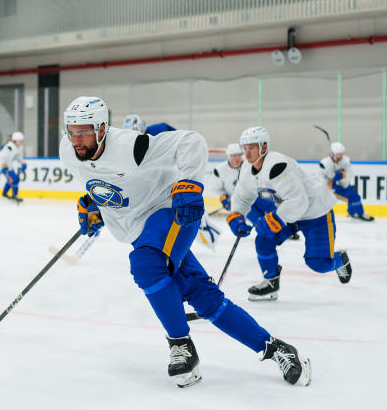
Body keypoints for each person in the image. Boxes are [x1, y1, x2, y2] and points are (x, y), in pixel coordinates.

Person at [61, 97, 310, 388]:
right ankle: (276, 348)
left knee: (146, 266)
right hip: (138, 229)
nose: (76, 139)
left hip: (171, 211)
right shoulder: (69, 151)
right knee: (202, 295)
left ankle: (181, 346)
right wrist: (93, 204)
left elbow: (192, 142)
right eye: (72, 131)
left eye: (83, 132)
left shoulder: (132, 146)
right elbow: (98, 177)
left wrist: (190, 183)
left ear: (102, 128)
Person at [227, 126, 352, 301]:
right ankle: (271, 282)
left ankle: (341, 259)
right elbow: (242, 196)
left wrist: (274, 219)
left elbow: (298, 202)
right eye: (245, 148)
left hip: (316, 213)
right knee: (263, 239)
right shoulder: (247, 169)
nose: (246, 154)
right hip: (290, 213)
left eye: (252, 148)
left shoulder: (277, 165)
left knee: (319, 264)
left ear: (263, 147)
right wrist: (236, 216)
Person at [121, 116, 219, 248]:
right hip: (156, 185)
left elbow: (183, 143)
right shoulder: (129, 147)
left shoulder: (160, 129)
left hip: (173, 177)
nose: (135, 137)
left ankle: (205, 230)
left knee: (188, 209)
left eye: (137, 132)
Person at [320, 142, 374, 221]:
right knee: (325, 203)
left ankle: (356, 213)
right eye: (338, 154)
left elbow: (349, 174)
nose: (341, 156)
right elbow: (325, 178)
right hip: (329, 187)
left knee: (355, 197)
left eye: (342, 153)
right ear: (333, 154)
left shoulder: (345, 160)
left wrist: (342, 175)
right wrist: (335, 176)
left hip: (341, 185)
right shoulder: (326, 163)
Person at [208, 143, 244, 212]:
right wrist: (223, 197)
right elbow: (215, 188)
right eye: (234, 155)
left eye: (239, 155)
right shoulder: (220, 170)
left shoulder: (249, 166)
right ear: (229, 156)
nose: (237, 158)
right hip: (233, 204)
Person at [0, 131, 26, 202]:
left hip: (9, 166)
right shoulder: (9, 147)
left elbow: (19, 157)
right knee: (14, 180)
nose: (22, 142)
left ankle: (4, 194)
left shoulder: (19, 147)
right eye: (20, 141)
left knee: (13, 180)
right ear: (16, 140)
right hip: (4, 166)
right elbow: (0, 156)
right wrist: (4, 166)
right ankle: (14, 196)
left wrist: (23, 163)